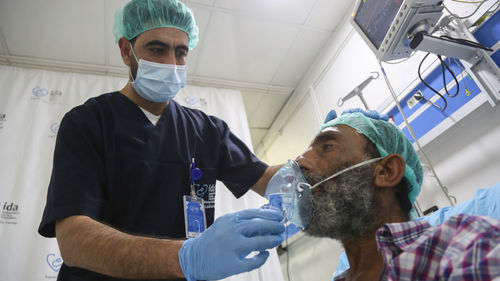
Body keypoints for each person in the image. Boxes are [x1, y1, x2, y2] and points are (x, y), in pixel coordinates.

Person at [38, 1, 284, 280]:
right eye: (157, 49)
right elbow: (73, 240)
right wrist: (186, 258)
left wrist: (329, 150)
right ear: (125, 50)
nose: (171, 64)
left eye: (181, 52)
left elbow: (270, 179)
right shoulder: (87, 123)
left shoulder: (208, 131)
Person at [296, 111, 500, 280]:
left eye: (327, 146)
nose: (299, 160)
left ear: (387, 172)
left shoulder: (461, 247)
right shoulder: (342, 275)